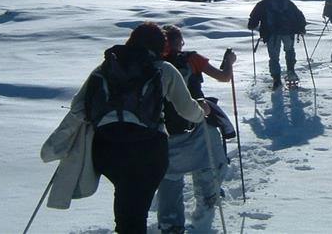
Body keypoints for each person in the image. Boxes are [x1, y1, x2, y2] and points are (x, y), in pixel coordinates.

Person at [84, 22, 209, 234]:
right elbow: (187, 109)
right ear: (161, 47)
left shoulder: (105, 68)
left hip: (105, 149)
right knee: (136, 207)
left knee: (126, 199)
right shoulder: (163, 69)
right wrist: (203, 111)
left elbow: (79, 107)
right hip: (148, 149)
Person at [156, 25, 236, 234]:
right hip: (197, 120)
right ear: (179, 42)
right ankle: (207, 201)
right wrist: (229, 62)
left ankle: (170, 224)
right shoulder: (192, 59)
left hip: (163, 130)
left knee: (170, 177)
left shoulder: (151, 64)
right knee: (208, 163)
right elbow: (224, 77)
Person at [247, 0, 307, 90]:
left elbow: (253, 21)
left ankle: (276, 79)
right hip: (288, 32)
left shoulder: (262, 4)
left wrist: (252, 25)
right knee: (289, 51)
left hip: (271, 34)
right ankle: (291, 72)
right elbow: (299, 15)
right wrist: (301, 27)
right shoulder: (287, 2)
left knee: (274, 57)